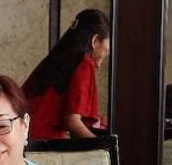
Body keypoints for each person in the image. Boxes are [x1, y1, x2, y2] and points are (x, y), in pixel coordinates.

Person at [22, 9, 110, 139]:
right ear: (95, 41)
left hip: (25, 137)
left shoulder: (58, 59)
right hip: (45, 142)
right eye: (107, 46)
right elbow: (72, 122)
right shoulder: (84, 64)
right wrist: (104, 146)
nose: (107, 53)